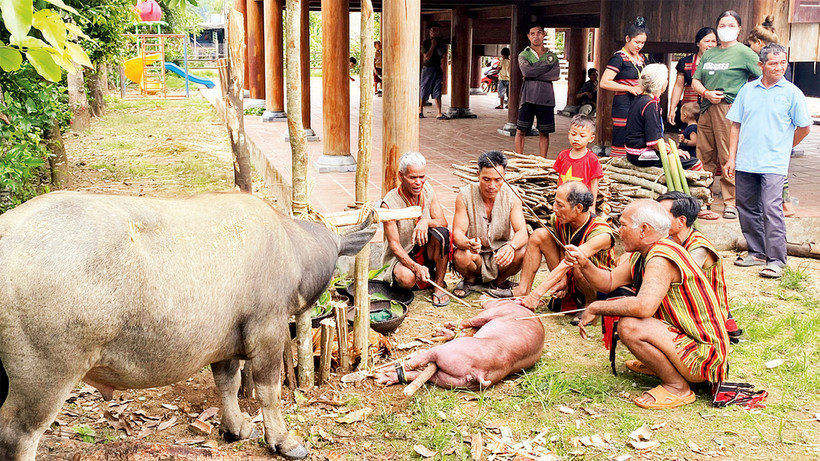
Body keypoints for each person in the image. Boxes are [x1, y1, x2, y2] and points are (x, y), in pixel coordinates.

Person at [567, 200, 729, 409]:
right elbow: (608, 282)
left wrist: (596, 307)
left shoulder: (661, 257)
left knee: (630, 326)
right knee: (632, 321)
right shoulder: (644, 253)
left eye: (623, 225)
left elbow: (644, 307)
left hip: (704, 358)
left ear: (643, 230)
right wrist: (584, 262)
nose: (619, 231)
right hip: (692, 345)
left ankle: (677, 386)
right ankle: (665, 366)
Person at [725, 43, 812, 279]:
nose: (779, 67)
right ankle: (757, 252)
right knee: (746, 207)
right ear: (761, 65)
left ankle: (776, 260)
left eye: (783, 62)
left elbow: (804, 128)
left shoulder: (792, 93)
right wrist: (731, 157)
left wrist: (785, 147)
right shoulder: (747, 90)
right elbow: (736, 125)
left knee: (772, 209)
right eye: (773, 63)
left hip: (773, 163)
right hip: (745, 161)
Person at [502, 182, 615, 324]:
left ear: (579, 208)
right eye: (555, 203)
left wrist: (536, 295)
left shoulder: (601, 233)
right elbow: (562, 247)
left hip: (596, 286)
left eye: (560, 205)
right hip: (570, 274)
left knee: (579, 263)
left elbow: (572, 260)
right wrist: (563, 280)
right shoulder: (558, 220)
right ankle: (523, 289)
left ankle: (590, 306)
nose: (554, 209)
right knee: (539, 235)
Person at [692, 10, 762, 220]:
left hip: (729, 109)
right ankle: (701, 199)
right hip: (706, 108)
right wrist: (706, 93)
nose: (726, 29)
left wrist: (745, 101)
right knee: (703, 155)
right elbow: (695, 80)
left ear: (739, 29)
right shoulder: (710, 53)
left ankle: (730, 202)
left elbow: (763, 78)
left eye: (731, 25)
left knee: (727, 156)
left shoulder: (745, 53)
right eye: (722, 25)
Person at [656, 191, 741, 342]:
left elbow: (678, 277)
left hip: (705, 312)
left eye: (662, 216)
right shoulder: (670, 239)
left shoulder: (698, 246)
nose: (656, 220)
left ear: (681, 221)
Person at [452, 151, 528, 297]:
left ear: (505, 176)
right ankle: (470, 280)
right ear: (477, 175)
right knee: (461, 255)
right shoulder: (464, 195)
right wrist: (468, 243)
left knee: (521, 251)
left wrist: (511, 246)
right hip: (476, 256)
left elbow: (522, 232)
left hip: (501, 255)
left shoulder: (512, 195)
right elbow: (457, 234)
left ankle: (499, 282)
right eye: (486, 179)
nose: (492, 185)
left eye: (497, 180)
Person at [380, 153, 451, 306]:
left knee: (442, 234)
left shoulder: (428, 190)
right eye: (413, 178)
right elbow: (395, 246)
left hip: (426, 250)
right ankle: (414, 279)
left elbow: (442, 222)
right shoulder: (389, 203)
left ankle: (438, 286)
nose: (419, 182)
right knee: (407, 278)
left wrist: (426, 221)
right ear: (401, 176)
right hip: (401, 255)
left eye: (422, 177)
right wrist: (415, 267)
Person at [746, 16, 796, 217]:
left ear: (758, 43)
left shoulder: (769, 65)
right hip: (773, 119)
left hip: (774, 120)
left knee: (776, 166)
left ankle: (785, 203)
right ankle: (783, 203)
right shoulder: (779, 61)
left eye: (750, 45)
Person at [624, 64, 702, 170]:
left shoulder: (640, 99)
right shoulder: (650, 104)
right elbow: (654, 142)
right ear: (662, 85)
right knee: (695, 163)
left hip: (633, 152)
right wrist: (674, 151)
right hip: (642, 155)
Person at [599, 17, 648, 158]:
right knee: (622, 134)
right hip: (624, 104)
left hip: (638, 103)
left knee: (637, 133)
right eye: (636, 42)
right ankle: (617, 165)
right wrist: (628, 88)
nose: (639, 46)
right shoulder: (619, 58)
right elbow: (604, 82)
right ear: (627, 38)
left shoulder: (642, 58)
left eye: (643, 43)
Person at [515, 23, 560, 158]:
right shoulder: (524, 54)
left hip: (546, 98)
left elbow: (555, 75)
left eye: (539, 33)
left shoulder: (552, 55)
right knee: (521, 130)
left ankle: (543, 160)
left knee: (544, 132)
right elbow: (526, 71)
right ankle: (519, 159)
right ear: (529, 36)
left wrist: (533, 72)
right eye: (533, 33)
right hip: (527, 97)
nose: (536, 36)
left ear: (544, 35)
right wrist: (545, 67)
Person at [668, 27, 718, 129]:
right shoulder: (685, 62)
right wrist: (672, 109)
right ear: (698, 43)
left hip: (711, 109)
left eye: (714, 41)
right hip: (689, 111)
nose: (711, 44)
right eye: (707, 41)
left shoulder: (720, 63)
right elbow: (678, 86)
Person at [553, 115, 604, 207]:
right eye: (573, 134)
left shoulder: (592, 159)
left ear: (591, 138)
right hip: (564, 199)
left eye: (582, 136)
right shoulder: (562, 155)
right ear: (569, 134)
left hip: (581, 202)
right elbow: (559, 177)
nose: (576, 138)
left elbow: (594, 183)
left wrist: (592, 205)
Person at [419, 21, 449, 120]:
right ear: (429, 31)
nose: (435, 32)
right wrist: (432, 46)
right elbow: (427, 56)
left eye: (437, 30)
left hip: (437, 68)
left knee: (437, 89)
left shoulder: (441, 42)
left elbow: (441, 54)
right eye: (433, 30)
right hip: (428, 68)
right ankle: (420, 110)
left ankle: (439, 112)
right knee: (425, 88)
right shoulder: (426, 42)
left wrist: (437, 45)